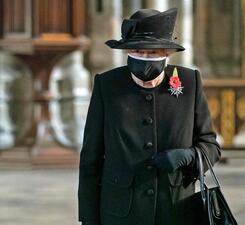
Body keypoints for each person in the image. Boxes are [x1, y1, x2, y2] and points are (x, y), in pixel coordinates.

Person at [78, 7, 221, 225]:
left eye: (152, 52)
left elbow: (211, 146)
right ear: (128, 52)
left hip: (176, 211)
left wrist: (188, 156)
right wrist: (89, 219)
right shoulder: (107, 85)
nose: (145, 57)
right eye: (139, 51)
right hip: (120, 214)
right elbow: (90, 158)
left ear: (166, 53)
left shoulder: (189, 82)